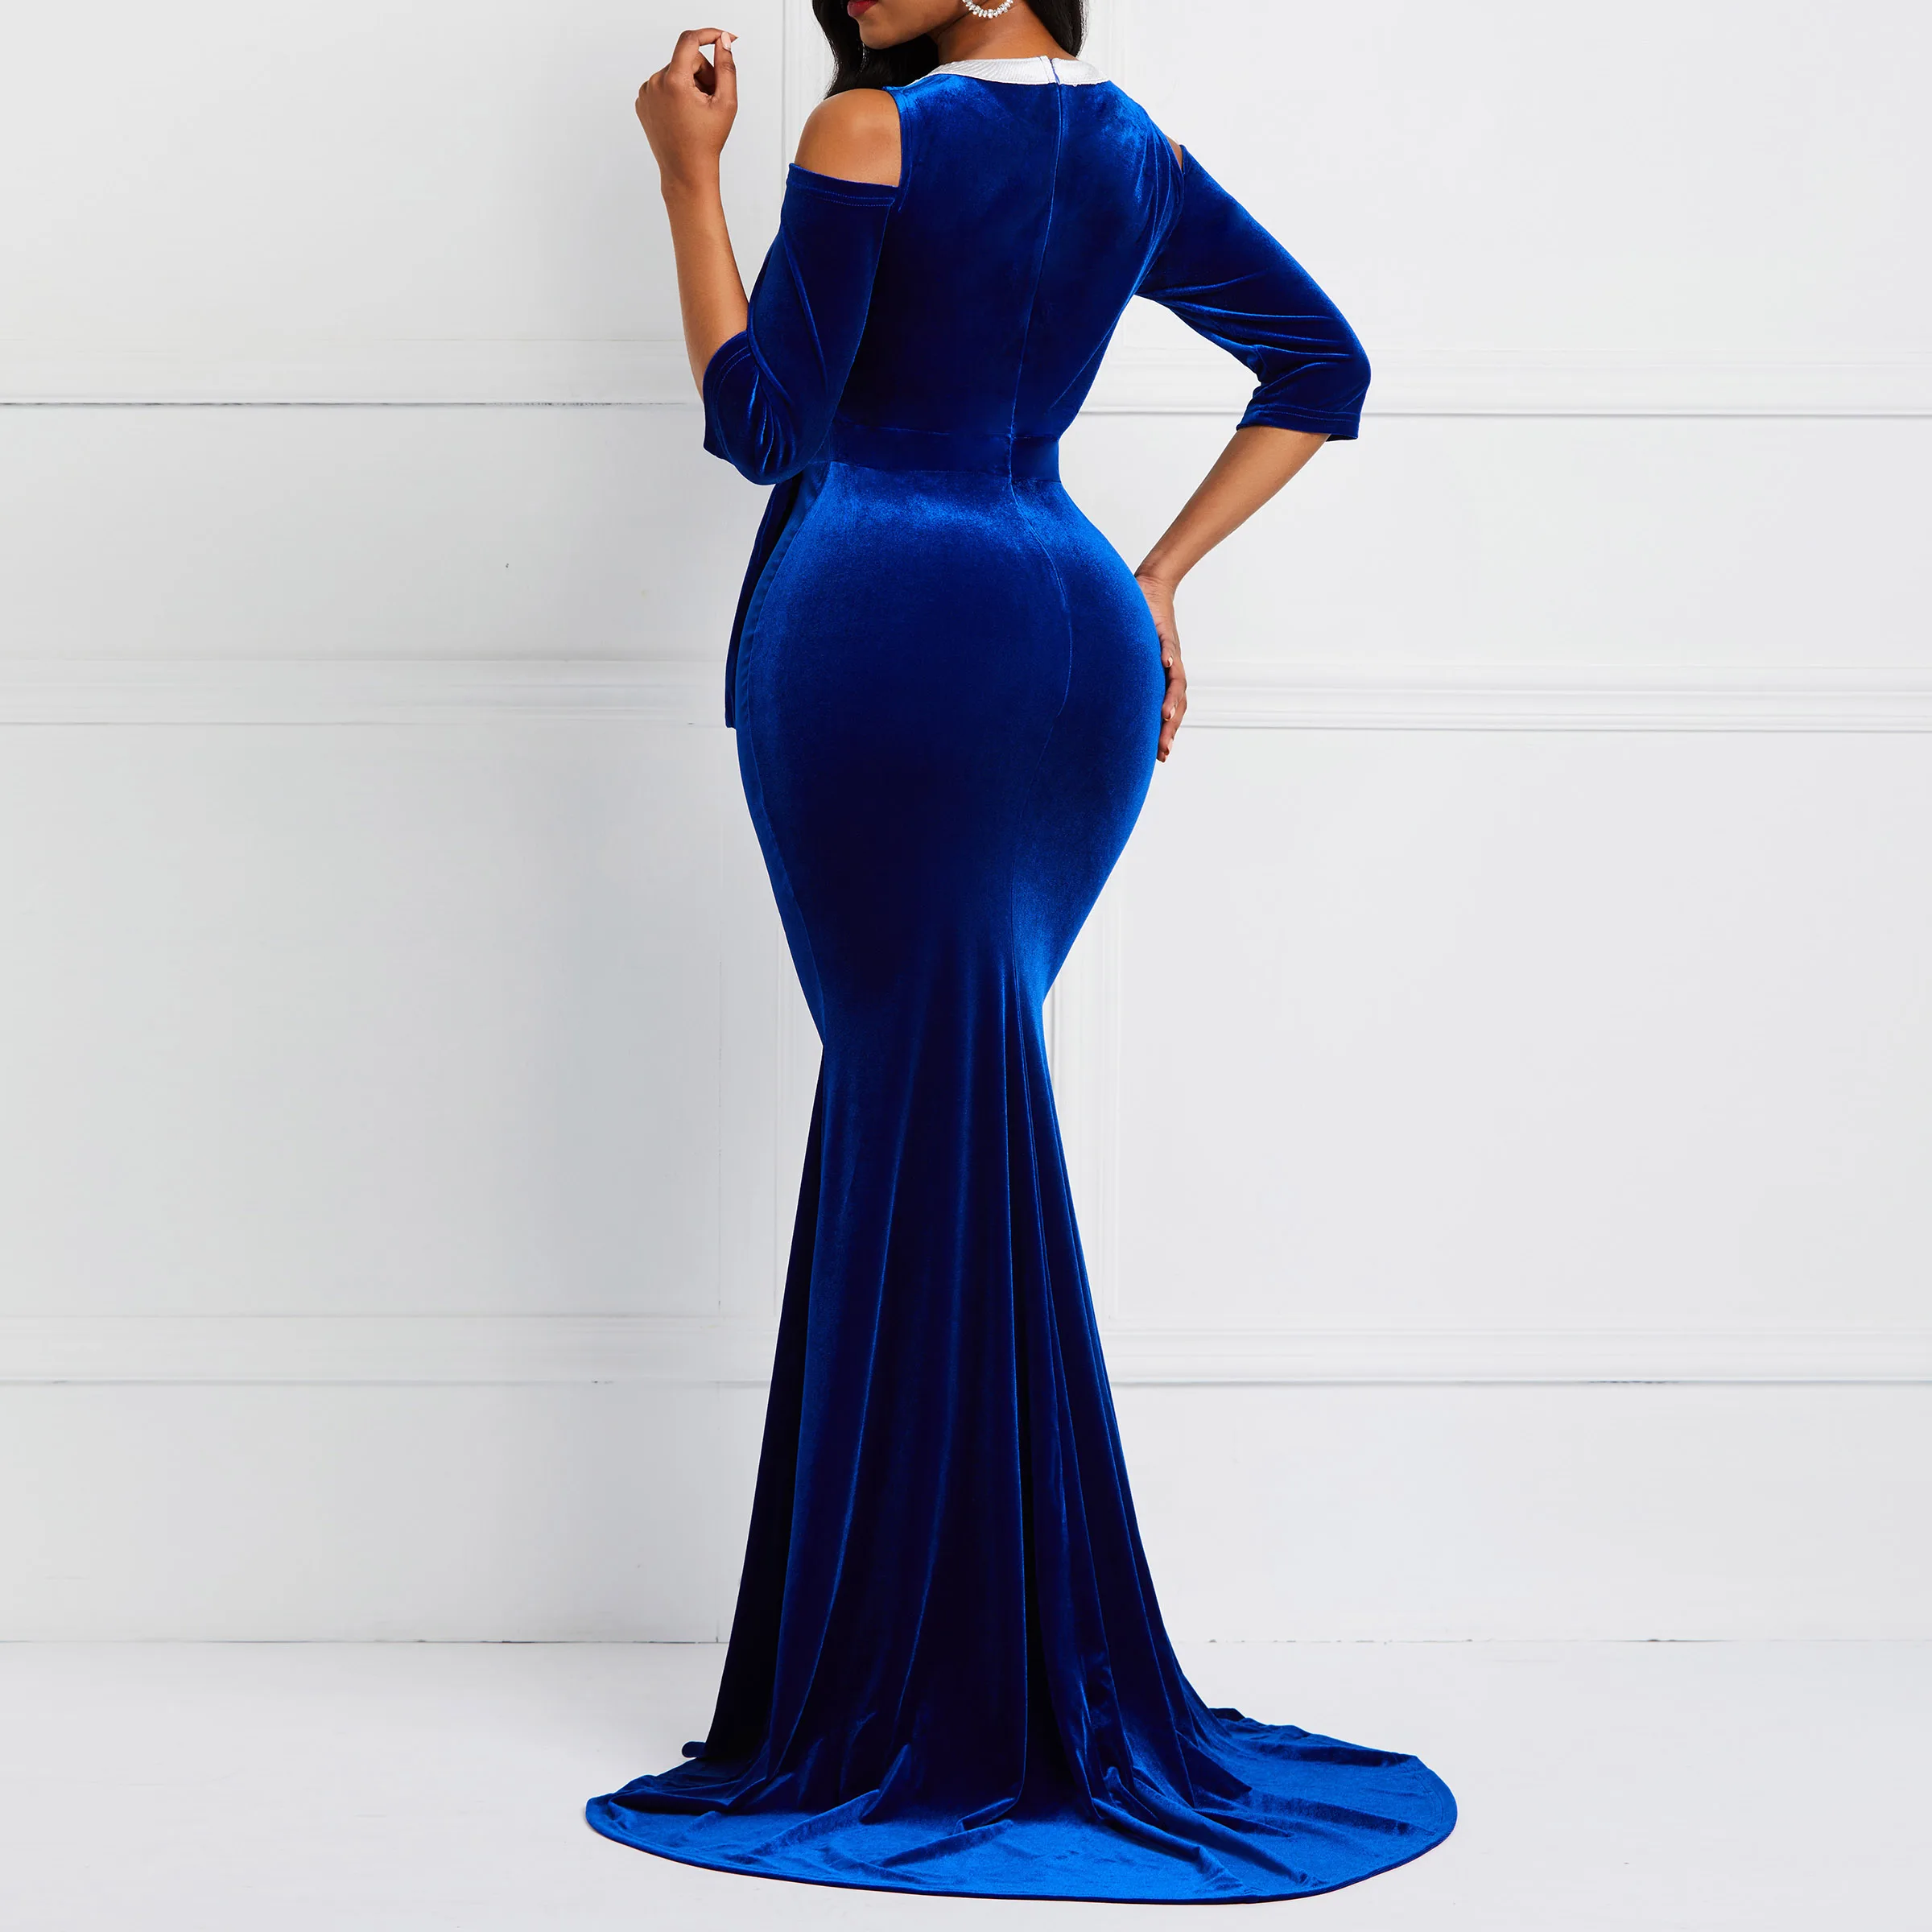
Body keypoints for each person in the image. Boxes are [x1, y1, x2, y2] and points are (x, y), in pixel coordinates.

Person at [586, 0, 1455, 1903]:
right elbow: (1321, 364)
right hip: (1069, 636)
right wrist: (1153, 580)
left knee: (922, 1112)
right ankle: (971, 1651)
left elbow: (763, 427)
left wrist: (687, 180)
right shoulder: (1136, 149)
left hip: (886, 627)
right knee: (942, 1113)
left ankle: (922, 1689)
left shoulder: (871, 136)